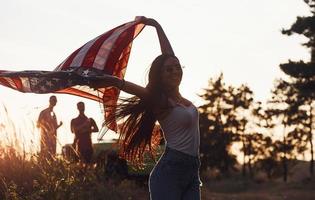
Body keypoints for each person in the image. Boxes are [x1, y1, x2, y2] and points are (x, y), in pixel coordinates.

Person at [85, 17, 201, 200]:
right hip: (169, 172)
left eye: (177, 67)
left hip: (192, 172)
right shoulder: (161, 100)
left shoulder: (180, 99)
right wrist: (115, 81)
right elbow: (138, 91)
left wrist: (156, 26)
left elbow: (169, 56)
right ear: (160, 76)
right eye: (168, 70)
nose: (174, 71)